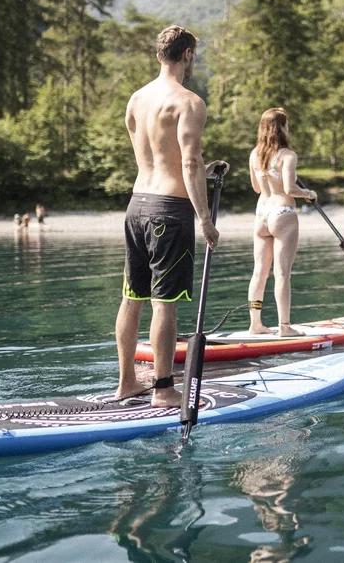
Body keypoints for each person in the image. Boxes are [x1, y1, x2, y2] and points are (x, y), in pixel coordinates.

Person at [115, 25, 222, 408]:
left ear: (160, 54)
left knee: (132, 299)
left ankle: (127, 382)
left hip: (137, 204)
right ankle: (162, 388)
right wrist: (205, 219)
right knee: (165, 303)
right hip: (169, 212)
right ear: (188, 54)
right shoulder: (189, 102)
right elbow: (188, 161)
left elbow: (158, 159)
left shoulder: (137, 99)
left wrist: (202, 171)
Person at [246, 108, 317, 337]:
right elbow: (289, 189)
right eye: (286, 124)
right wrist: (308, 193)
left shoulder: (254, 154)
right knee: (282, 273)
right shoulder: (288, 155)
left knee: (259, 272)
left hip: (261, 214)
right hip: (282, 212)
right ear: (281, 127)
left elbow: (256, 188)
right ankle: (285, 327)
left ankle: (255, 324)